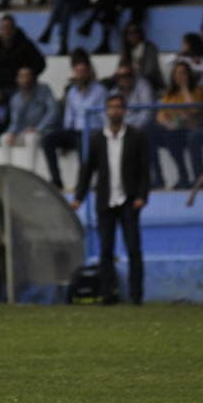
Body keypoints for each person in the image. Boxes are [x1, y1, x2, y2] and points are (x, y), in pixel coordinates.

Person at [71, 94, 150, 305]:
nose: (114, 111)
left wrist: (142, 196)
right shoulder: (97, 138)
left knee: (133, 248)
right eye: (111, 107)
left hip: (129, 199)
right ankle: (108, 294)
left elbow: (144, 170)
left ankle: (136, 294)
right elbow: (88, 171)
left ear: (124, 111)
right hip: (105, 200)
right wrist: (79, 197)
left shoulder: (136, 136)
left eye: (118, 107)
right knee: (106, 249)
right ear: (106, 111)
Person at [0, 14, 46, 146]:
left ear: (14, 29)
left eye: (8, 28)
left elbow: (40, 63)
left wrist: (28, 77)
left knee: (15, 99)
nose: (6, 31)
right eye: (3, 28)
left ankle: (5, 132)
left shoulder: (26, 46)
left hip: (19, 88)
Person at [41, 59, 107, 189]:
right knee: (48, 140)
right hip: (75, 131)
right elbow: (69, 117)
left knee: (83, 143)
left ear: (89, 72)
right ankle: (56, 180)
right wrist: (65, 138)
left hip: (93, 131)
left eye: (83, 71)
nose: (80, 75)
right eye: (77, 72)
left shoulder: (100, 90)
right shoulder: (72, 92)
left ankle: (82, 184)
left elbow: (104, 115)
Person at [155, 61, 203, 189]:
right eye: (177, 73)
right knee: (160, 134)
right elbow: (161, 115)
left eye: (183, 73)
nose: (180, 76)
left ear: (189, 75)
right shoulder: (170, 94)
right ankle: (180, 176)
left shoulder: (197, 91)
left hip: (192, 128)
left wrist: (184, 89)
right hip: (175, 129)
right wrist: (168, 123)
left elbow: (194, 109)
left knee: (188, 137)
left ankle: (199, 179)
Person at [0, 65, 59, 170]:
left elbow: (52, 111)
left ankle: (31, 171)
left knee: (31, 137)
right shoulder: (16, 98)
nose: (25, 79)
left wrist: (38, 128)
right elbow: (15, 120)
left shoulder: (44, 90)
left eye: (27, 76)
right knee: (4, 138)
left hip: (43, 132)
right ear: (17, 79)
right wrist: (12, 132)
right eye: (21, 76)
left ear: (33, 77)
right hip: (24, 132)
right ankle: (8, 170)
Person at [119, 21, 164, 93]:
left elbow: (150, 71)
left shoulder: (150, 48)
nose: (132, 36)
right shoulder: (126, 50)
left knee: (141, 84)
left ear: (140, 33)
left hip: (150, 82)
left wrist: (132, 75)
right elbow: (121, 68)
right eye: (129, 33)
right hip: (130, 83)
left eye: (135, 32)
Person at [108, 61, 154, 131]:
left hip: (141, 129)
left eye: (128, 75)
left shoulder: (143, 87)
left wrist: (132, 129)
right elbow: (110, 115)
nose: (124, 79)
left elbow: (147, 113)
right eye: (121, 76)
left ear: (133, 75)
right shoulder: (113, 93)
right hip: (121, 129)